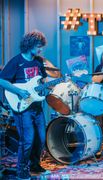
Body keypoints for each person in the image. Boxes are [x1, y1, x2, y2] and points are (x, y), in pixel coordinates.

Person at [0, 30, 49, 179]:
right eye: (39, 46)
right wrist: (19, 92)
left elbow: (43, 80)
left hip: (36, 106)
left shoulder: (39, 61)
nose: (40, 49)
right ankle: (22, 172)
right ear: (30, 44)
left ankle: (35, 165)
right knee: (27, 140)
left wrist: (47, 87)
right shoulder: (16, 61)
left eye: (42, 46)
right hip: (22, 106)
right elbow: (2, 80)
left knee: (41, 138)